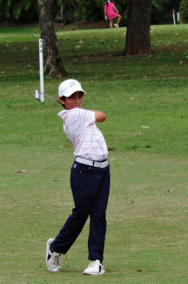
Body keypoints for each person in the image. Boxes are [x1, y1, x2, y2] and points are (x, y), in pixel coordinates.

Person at [45, 79, 111, 276]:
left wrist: (85, 112)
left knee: (99, 214)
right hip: (84, 171)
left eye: (79, 96)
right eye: (72, 97)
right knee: (81, 215)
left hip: (102, 169)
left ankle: (96, 261)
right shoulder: (73, 115)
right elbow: (102, 116)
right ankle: (55, 247)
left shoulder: (80, 115)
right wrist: (86, 112)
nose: (77, 100)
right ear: (62, 100)